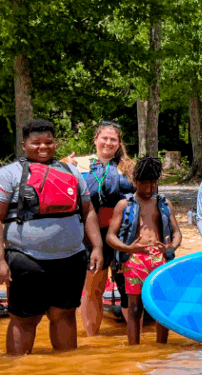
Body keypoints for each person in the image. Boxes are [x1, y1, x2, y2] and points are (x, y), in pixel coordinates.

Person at [0, 119, 103, 355]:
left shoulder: (72, 172)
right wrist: (1, 261)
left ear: (55, 143)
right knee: (25, 318)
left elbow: (88, 213)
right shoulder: (8, 175)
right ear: (24, 144)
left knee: (65, 314)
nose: (43, 147)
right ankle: (18, 369)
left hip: (71, 259)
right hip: (26, 259)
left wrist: (96, 247)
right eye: (36, 143)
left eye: (48, 142)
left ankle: (65, 368)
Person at [106, 157, 183, 344]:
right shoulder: (124, 205)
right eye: (144, 184)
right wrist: (128, 248)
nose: (149, 188)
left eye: (154, 184)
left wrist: (172, 246)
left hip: (161, 259)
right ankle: (134, 349)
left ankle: (161, 348)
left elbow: (177, 232)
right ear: (135, 180)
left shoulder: (164, 204)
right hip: (134, 260)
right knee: (134, 308)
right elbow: (110, 236)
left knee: (162, 306)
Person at [77, 121, 136, 335]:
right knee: (93, 289)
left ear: (119, 143)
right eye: (104, 138)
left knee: (128, 288)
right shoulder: (78, 165)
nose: (108, 143)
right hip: (92, 236)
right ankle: (92, 340)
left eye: (113, 139)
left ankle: (134, 342)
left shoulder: (129, 167)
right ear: (95, 140)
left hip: (125, 234)